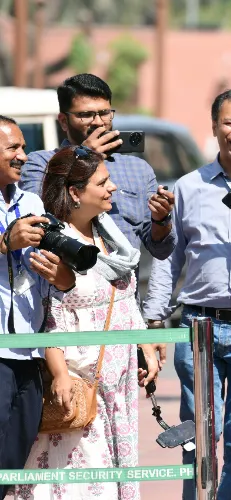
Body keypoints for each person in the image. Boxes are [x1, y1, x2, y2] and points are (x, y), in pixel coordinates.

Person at [143, 87, 231, 500]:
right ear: (214, 127)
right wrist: (155, 322)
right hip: (197, 326)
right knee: (200, 436)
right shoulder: (188, 186)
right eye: (230, 122)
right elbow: (169, 259)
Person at [10, 145, 159, 500]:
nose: (113, 189)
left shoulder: (110, 235)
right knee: (86, 481)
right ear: (76, 192)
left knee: (118, 470)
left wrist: (146, 345)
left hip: (118, 376)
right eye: (103, 182)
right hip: (81, 377)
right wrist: (60, 374)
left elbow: (123, 297)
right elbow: (44, 317)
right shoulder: (55, 244)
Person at [20, 73, 175, 367]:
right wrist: (84, 157)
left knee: (124, 411)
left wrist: (161, 220)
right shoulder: (41, 163)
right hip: (66, 313)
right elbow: (40, 221)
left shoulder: (137, 169)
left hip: (123, 313)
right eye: (86, 115)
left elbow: (161, 250)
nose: (98, 122)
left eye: (105, 113)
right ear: (63, 121)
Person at [0, 116, 75, 499]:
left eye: (24, 147)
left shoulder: (31, 202)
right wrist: (3, 243)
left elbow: (60, 283)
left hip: (29, 349)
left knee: (15, 454)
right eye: (13, 148)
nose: (23, 156)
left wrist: (61, 273)